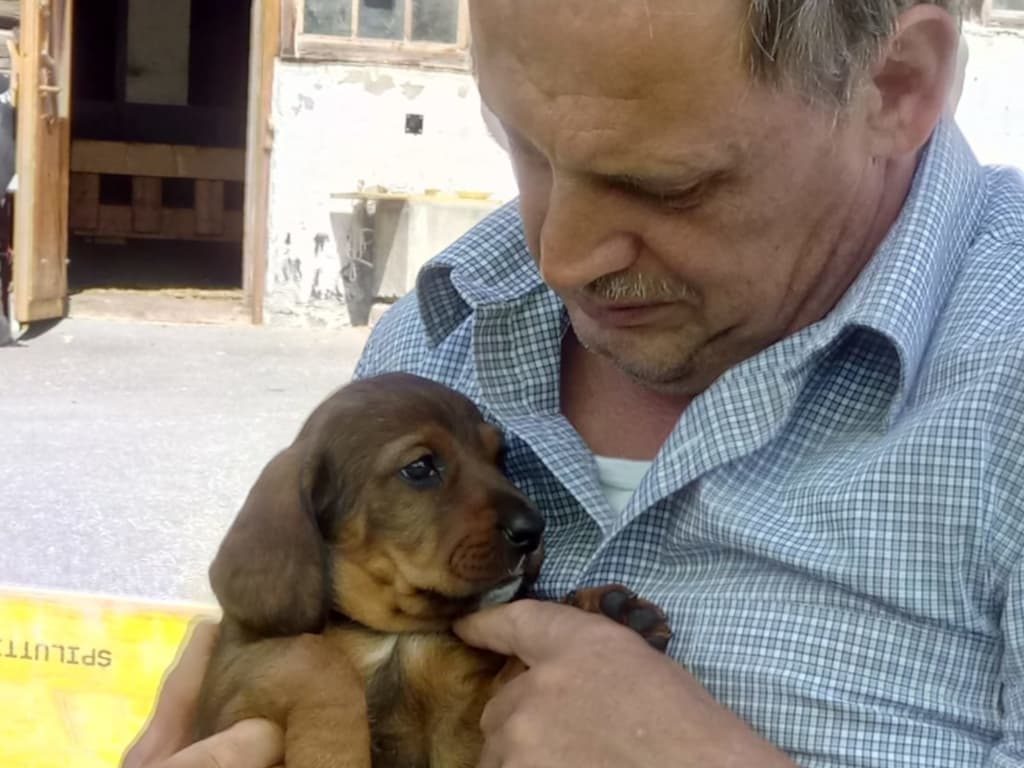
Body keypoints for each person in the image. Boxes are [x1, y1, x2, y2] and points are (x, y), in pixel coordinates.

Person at [124, 1, 1024, 766]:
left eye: (666, 185)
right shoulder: (442, 334)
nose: (558, 257)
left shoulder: (999, 375)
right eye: (520, 148)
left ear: (895, 85)